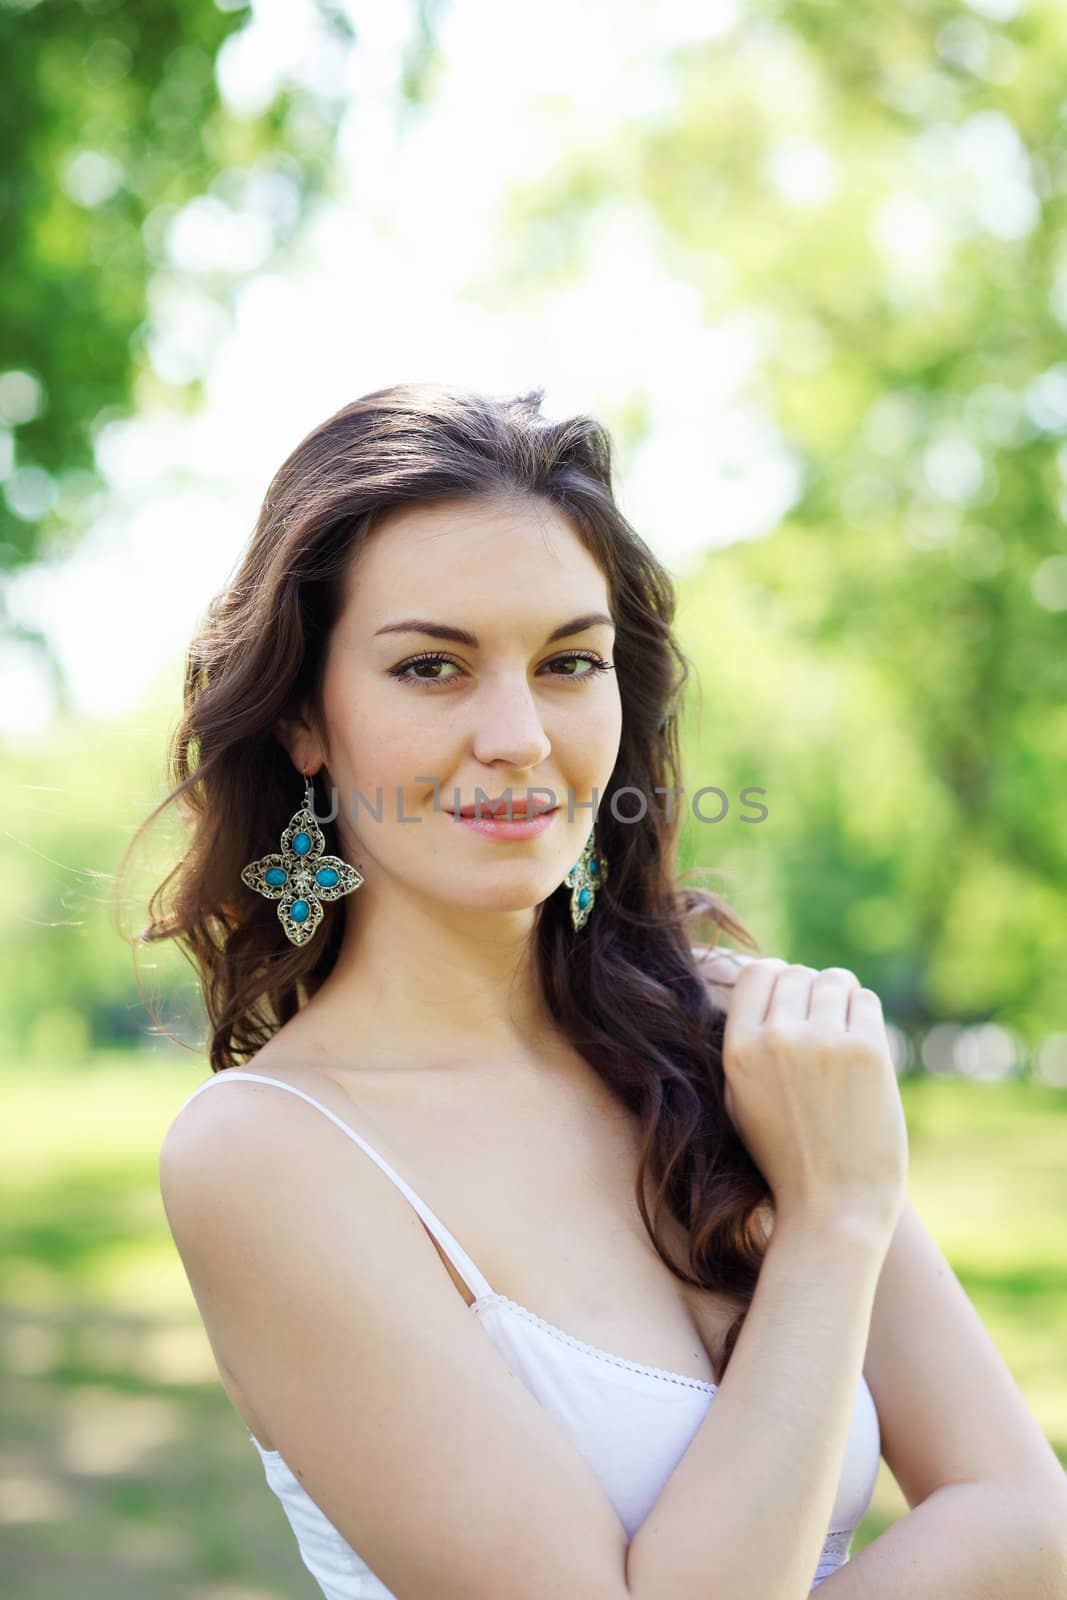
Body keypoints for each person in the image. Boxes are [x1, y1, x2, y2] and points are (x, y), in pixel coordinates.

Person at [136, 384, 1067, 1600]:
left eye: (568, 661)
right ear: (307, 717)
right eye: (432, 666)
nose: (519, 733)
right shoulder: (269, 1155)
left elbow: (1025, 1517)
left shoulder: (733, 1045)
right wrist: (833, 1227)